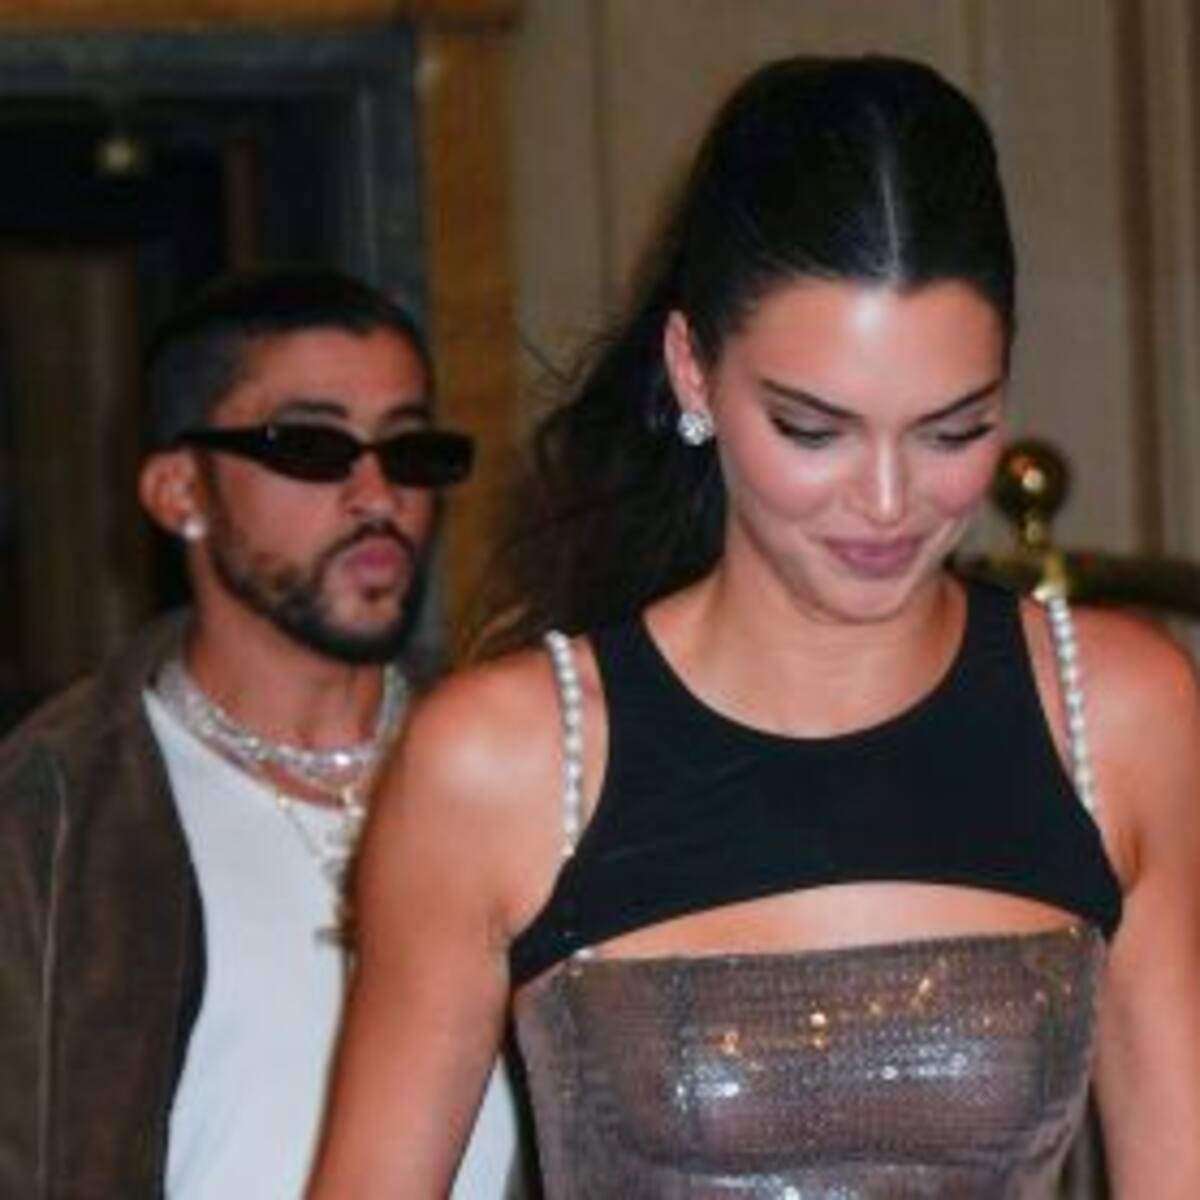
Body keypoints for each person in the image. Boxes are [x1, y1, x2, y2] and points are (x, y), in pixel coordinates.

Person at [307, 58, 1200, 1197]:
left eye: (951, 430)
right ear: (694, 371)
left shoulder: (1114, 714)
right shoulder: (510, 760)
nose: (887, 501)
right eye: (813, 430)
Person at [0, 267, 523, 1198]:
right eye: (313, 448)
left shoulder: (521, 769)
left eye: (410, 452)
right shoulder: (53, 809)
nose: (377, 497)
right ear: (180, 491)